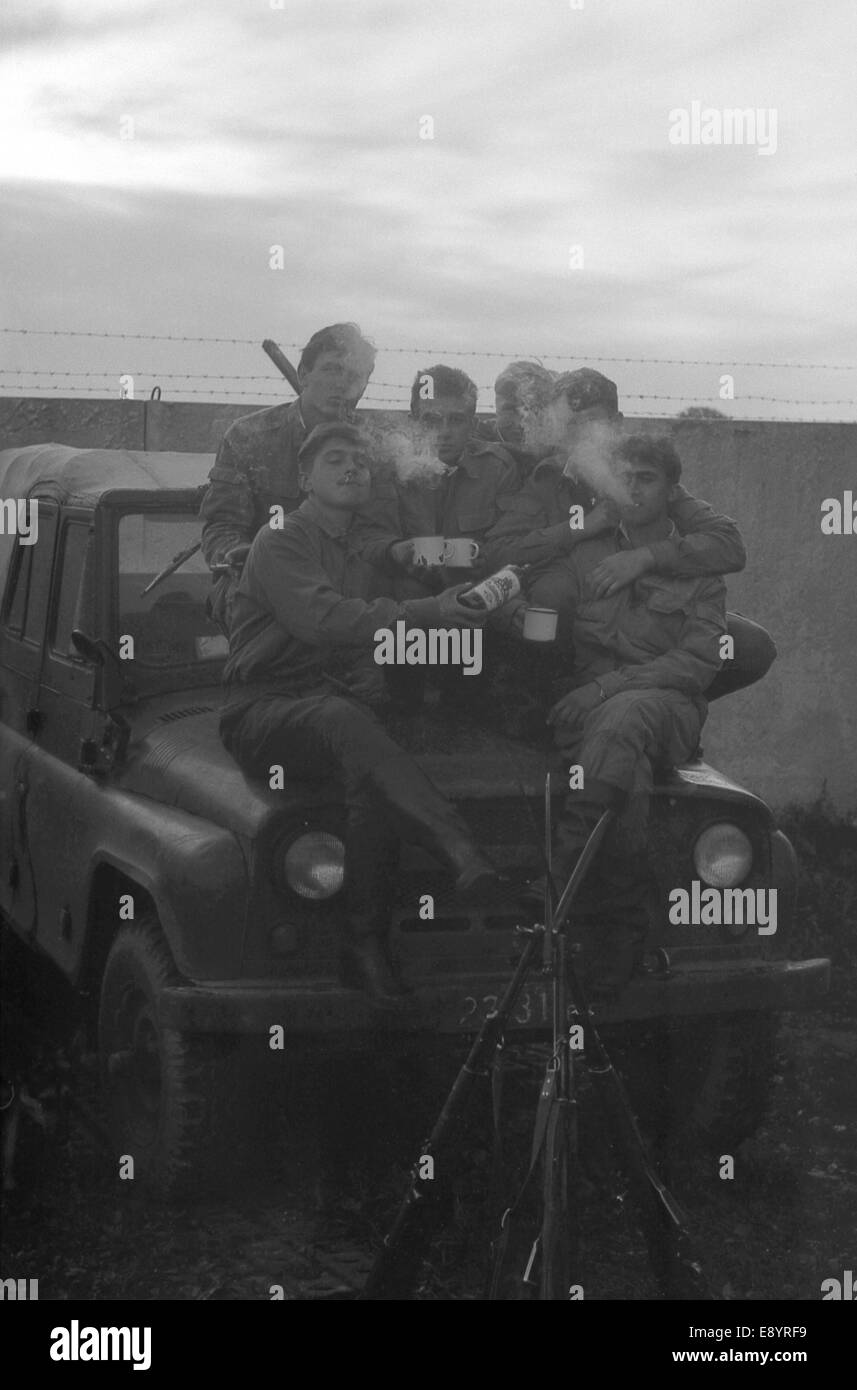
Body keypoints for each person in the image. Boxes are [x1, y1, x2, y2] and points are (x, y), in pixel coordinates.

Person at [219, 421, 504, 1008]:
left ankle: (365, 945)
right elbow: (325, 620)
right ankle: (460, 850)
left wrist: (485, 595)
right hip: (264, 707)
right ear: (305, 478)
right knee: (345, 725)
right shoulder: (281, 539)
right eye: (335, 461)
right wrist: (428, 610)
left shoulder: (363, 548)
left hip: (340, 701)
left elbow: (392, 618)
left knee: (366, 778)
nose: (352, 469)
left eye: (361, 463)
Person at [523, 435, 728, 995]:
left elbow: (695, 664)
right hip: (594, 722)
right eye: (625, 478)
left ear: (671, 491)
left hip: (669, 708)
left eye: (647, 479)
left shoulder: (699, 567)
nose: (634, 488)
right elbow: (517, 570)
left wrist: (607, 686)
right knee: (625, 770)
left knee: (628, 713)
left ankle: (557, 883)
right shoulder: (587, 555)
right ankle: (624, 925)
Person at [484, 366, 775, 700]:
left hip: (653, 618)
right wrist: (580, 528)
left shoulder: (641, 475)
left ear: (617, 422)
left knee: (751, 646)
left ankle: (669, 705)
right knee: (551, 600)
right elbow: (498, 551)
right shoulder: (549, 479)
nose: (583, 436)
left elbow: (728, 545)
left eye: (593, 423)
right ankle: (557, 709)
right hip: (583, 622)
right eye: (571, 424)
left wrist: (644, 558)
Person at [199, 322, 377, 630]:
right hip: (259, 587)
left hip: (345, 586)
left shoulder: (375, 447)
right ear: (304, 374)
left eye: (353, 375)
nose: (341, 384)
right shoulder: (248, 437)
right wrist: (242, 555)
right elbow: (222, 526)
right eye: (332, 369)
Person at [476, 360, 557, 479]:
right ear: (497, 409)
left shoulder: (560, 444)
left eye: (531, 409)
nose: (520, 423)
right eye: (510, 410)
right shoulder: (473, 444)